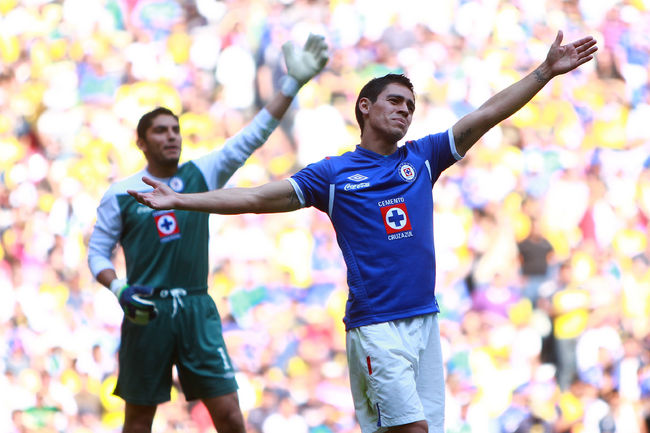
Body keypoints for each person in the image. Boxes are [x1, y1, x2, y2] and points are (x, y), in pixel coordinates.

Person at [128, 31, 597, 433]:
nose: (405, 111)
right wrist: (181, 200)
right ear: (365, 107)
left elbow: (486, 115)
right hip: (377, 326)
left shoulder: (423, 158)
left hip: (425, 321)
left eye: (410, 106)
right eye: (395, 101)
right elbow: (257, 197)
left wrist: (543, 73)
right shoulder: (333, 175)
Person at [87, 34, 328, 433]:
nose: (172, 136)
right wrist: (119, 289)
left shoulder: (201, 173)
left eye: (176, 130)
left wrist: (291, 85)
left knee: (230, 415)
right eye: (161, 131)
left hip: (197, 308)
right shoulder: (121, 193)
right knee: (138, 421)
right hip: (146, 310)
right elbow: (97, 252)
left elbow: (253, 136)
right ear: (141, 142)